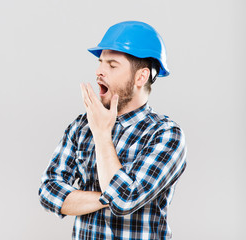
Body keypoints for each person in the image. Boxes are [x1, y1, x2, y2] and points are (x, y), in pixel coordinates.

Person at [38, 21, 187, 240]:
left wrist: (101, 134)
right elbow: (49, 192)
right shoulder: (81, 126)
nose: (99, 71)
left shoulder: (165, 135)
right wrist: (105, 197)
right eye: (100, 62)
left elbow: (124, 200)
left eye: (112, 65)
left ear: (141, 77)